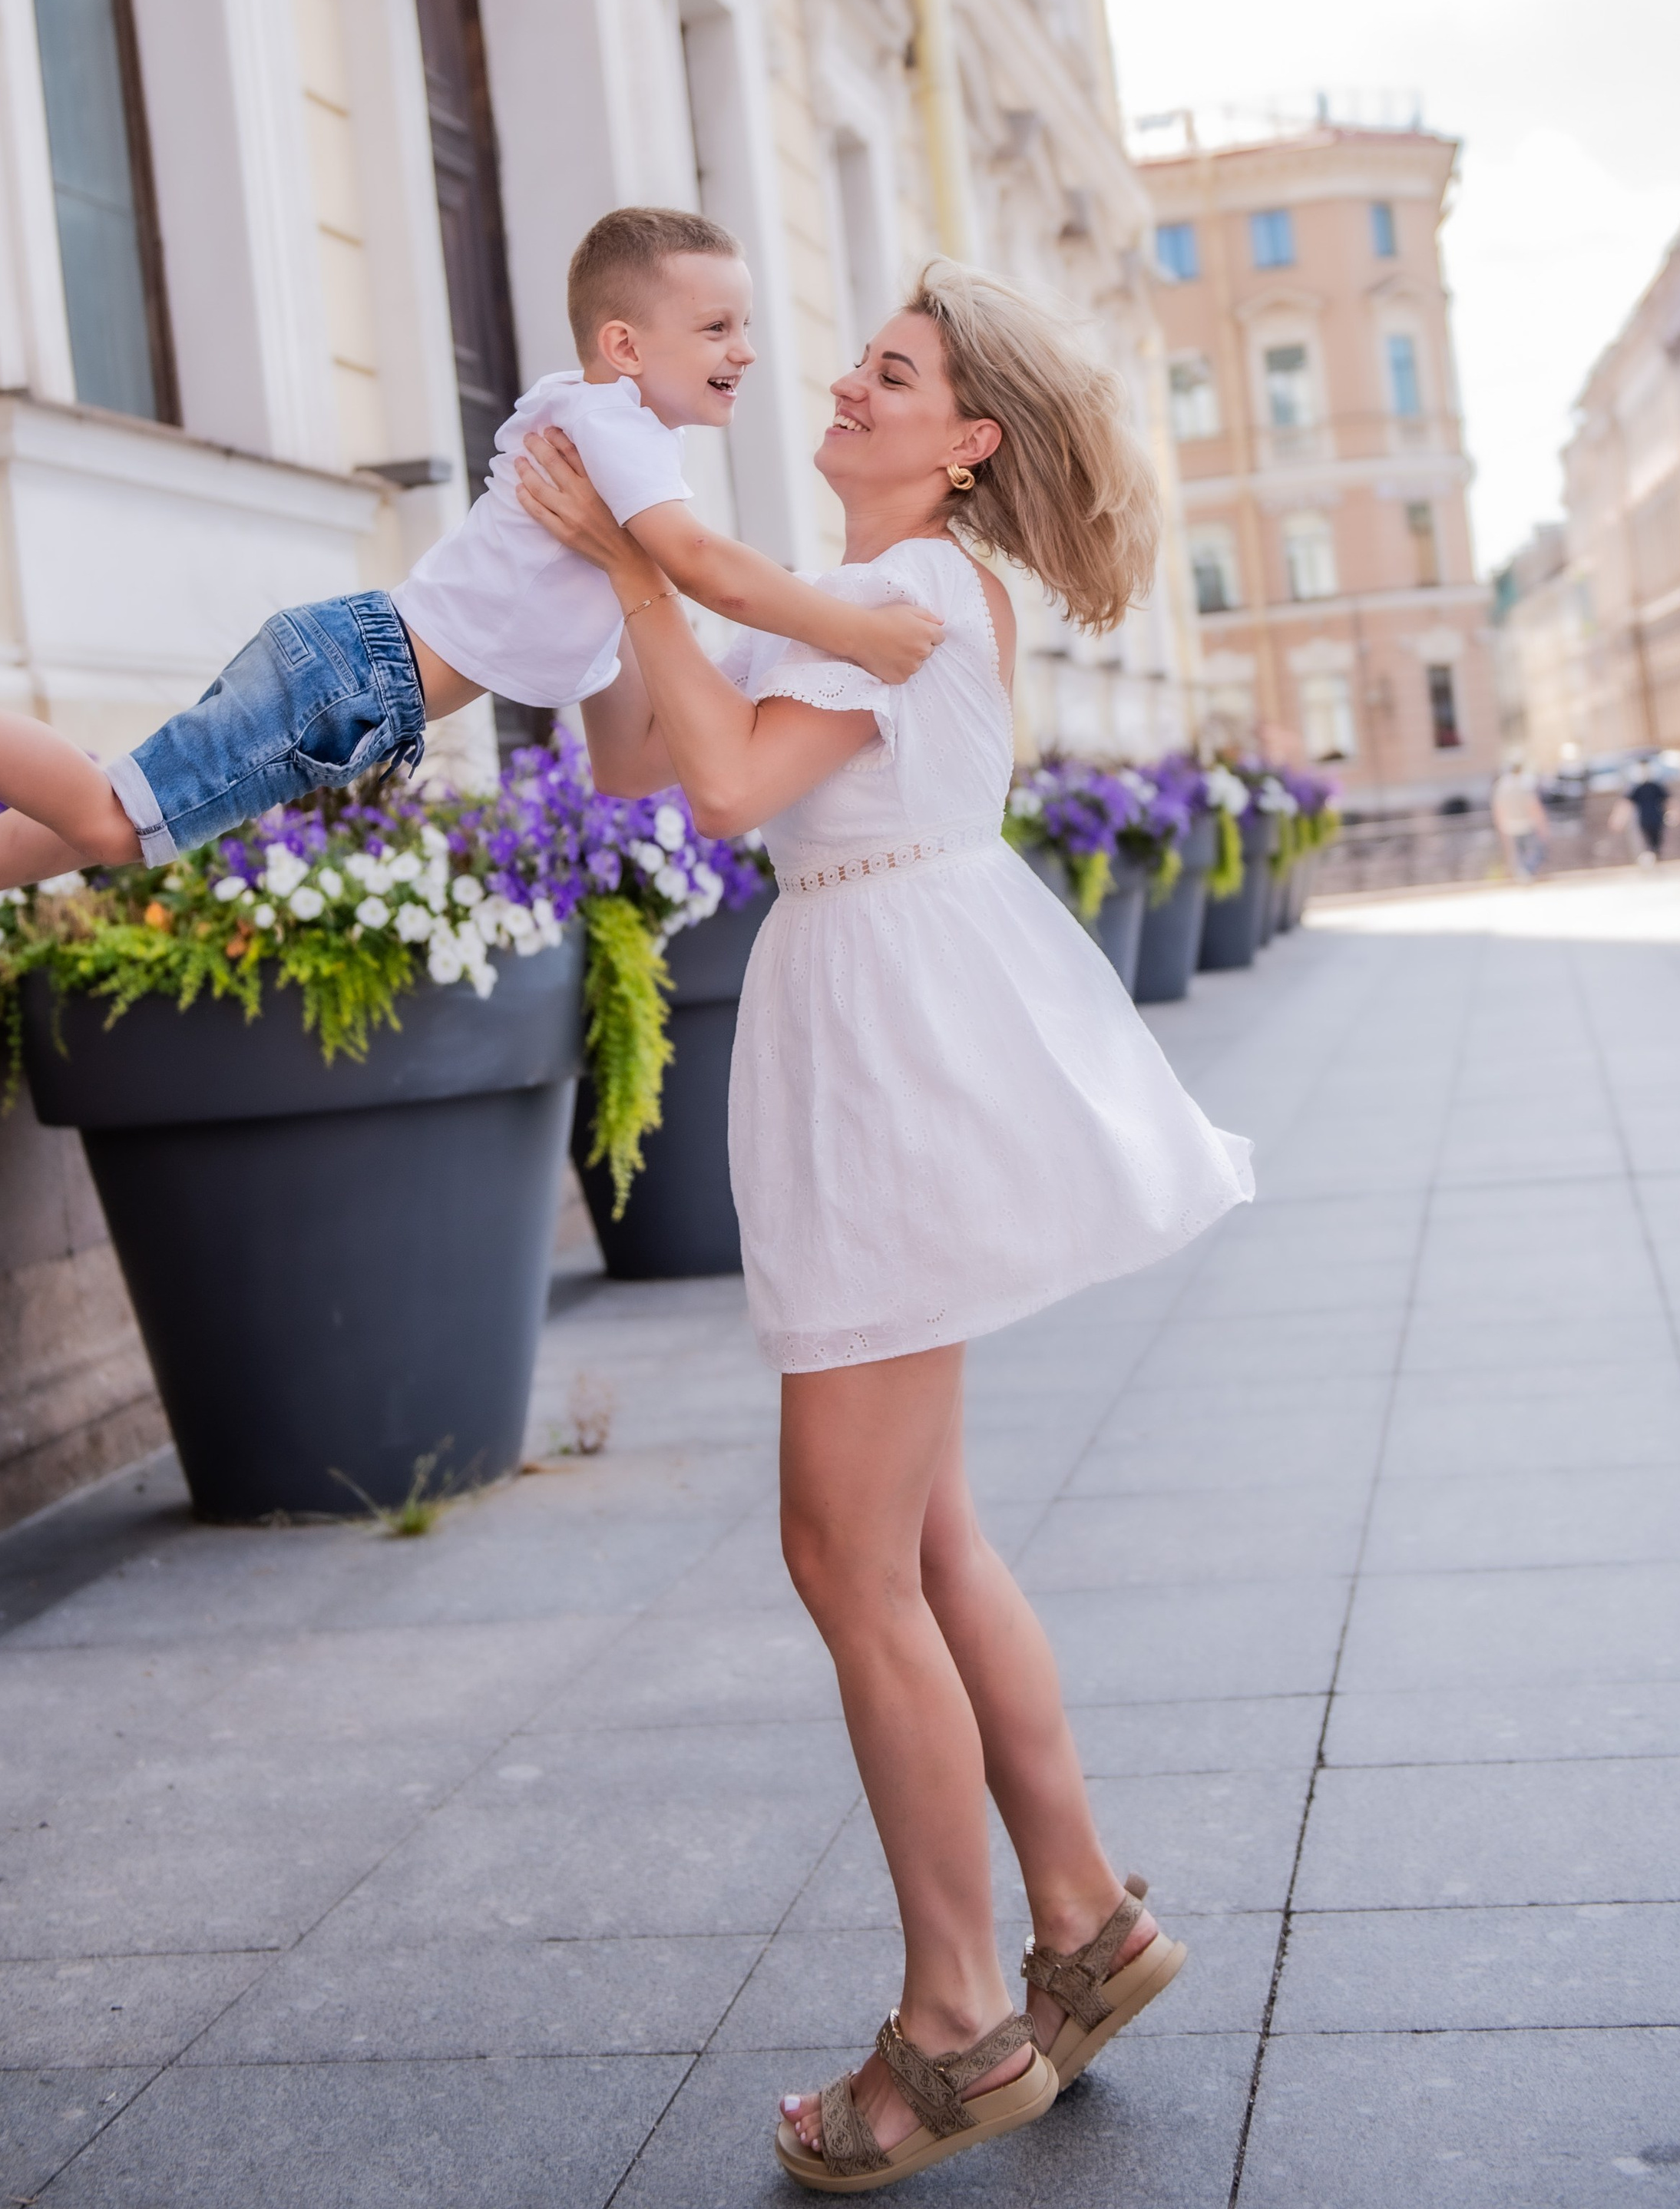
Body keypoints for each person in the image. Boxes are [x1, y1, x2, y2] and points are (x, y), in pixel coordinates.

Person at [514, 261, 1253, 2191]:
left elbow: (743, 771)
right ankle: (1080, 1912)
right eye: (857, 358)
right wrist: (609, 571)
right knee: (919, 1532)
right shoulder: (868, 594)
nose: (842, 381)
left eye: (893, 370)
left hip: (888, 1045)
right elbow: (647, 767)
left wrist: (648, 561)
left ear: (965, 439)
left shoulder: (907, 591)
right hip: (885, 1019)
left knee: (845, 1553)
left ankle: (948, 2020)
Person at [0, 209, 940, 1013]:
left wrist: (719, 663)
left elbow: (634, 762)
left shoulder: (609, 451)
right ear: (624, 347)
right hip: (352, 679)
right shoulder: (617, 430)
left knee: (129, 803)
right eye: (718, 329)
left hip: (351, 680)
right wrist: (854, 631)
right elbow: (710, 567)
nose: (747, 350)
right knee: (118, 821)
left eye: (746, 326)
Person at [1490, 753, 1549, 880]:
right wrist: (1542, 825)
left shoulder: (1501, 786)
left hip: (1510, 825)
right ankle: (1526, 872)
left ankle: (1522, 873)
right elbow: (1533, 807)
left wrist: (1500, 826)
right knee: (1537, 851)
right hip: (1527, 823)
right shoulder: (1525, 784)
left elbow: (1498, 809)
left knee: (1519, 853)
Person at [1629, 765, 1671, 861]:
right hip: (1645, 819)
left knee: (1657, 842)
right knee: (1649, 843)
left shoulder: (1656, 787)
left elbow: (1668, 800)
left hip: (1657, 819)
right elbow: (1627, 803)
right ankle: (1652, 858)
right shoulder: (1637, 789)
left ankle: (1655, 858)